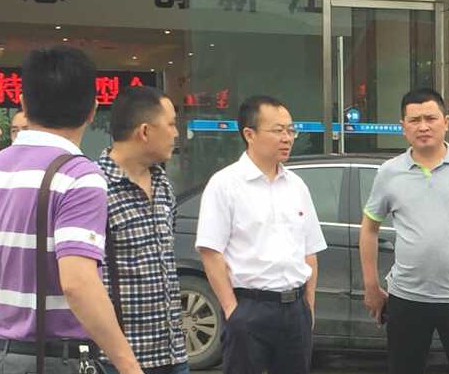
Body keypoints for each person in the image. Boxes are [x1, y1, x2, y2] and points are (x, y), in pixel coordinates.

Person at [0, 45, 144, 374]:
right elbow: (78, 283)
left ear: (23, 104)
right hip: (51, 358)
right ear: (93, 110)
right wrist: (129, 366)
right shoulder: (78, 176)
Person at [195, 95, 328, 374]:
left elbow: (310, 251)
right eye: (278, 130)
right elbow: (210, 251)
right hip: (250, 309)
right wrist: (232, 311)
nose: (287, 138)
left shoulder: (297, 186)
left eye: (291, 130)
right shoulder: (225, 184)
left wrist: (309, 307)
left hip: (295, 311)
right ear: (249, 134)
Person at [360, 88, 449, 374]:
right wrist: (371, 286)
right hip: (407, 297)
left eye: (430, 118)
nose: (423, 126)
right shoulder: (389, 172)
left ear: (446, 122)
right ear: (403, 127)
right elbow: (369, 228)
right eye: (414, 120)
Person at [97, 86, 189, 374]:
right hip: (119, 359)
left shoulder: (162, 184)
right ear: (145, 131)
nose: (176, 133)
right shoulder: (94, 187)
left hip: (173, 354)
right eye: (171, 124)